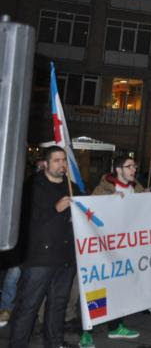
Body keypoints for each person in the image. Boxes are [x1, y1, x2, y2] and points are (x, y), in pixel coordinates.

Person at [8, 147, 75, 348]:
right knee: (28, 307)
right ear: (45, 163)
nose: (61, 165)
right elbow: (27, 220)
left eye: (63, 160)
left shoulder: (70, 186)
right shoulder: (32, 187)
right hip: (39, 259)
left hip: (65, 259)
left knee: (57, 307)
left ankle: (53, 343)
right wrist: (56, 209)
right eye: (56, 160)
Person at [78, 156, 144, 347]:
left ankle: (116, 326)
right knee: (96, 291)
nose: (133, 170)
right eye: (129, 166)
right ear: (118, 169)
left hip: (126, 250)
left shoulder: (136, 188)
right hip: (102, 250)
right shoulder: (104, 189)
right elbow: (89, 211)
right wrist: (109, 202)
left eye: (135, 166)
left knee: (120, 289)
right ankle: (86, 331)